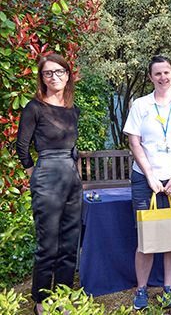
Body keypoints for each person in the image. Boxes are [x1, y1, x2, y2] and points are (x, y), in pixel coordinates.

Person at [123, 55, 171, 310]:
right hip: (147, 179)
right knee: (146, 236)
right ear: (150, 77)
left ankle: (168, 288)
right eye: (157, 74)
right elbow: (135, 142)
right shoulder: (140, 106)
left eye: (166, 72)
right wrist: (150, 176)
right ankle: (141, 290)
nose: (162, 77)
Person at [16, 54, 83, 315]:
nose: (54, 76)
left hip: (71, 177)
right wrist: (36, 174)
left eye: (59, 71)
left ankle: (63, 296)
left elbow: (74, 148)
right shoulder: (34, 108)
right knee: (48, 244)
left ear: (68, 75)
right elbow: (22, 147)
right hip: (47, 176)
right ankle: (41, 299)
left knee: (69, 243)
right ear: (41, 78)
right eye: (48, 73)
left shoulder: (73, 110)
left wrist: (77, 177)